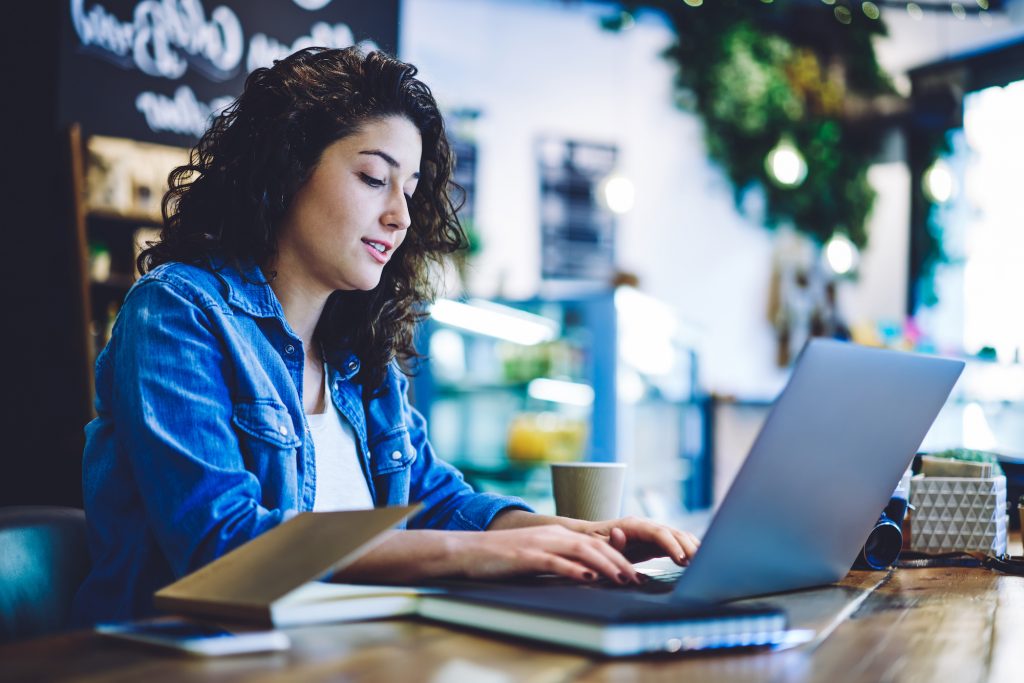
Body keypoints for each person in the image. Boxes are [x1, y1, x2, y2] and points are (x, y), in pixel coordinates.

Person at [72, 46, 699, 625]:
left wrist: (579, 535)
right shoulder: (178, 312)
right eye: (375, 178)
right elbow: (221, 546)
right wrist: (470, 555)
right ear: (286, 171)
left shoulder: (354, 348)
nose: (399, 215)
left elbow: (433, 498)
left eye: (411, 189)